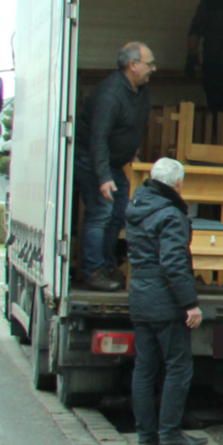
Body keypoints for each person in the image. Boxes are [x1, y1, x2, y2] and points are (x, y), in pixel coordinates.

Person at [124, 157, 207, 445]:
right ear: (179, 184)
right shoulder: (171, 215)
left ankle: (146, 435)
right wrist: (190, 303)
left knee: (145, 368)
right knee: (178, 367)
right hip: (165, 301)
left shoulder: (137, 207)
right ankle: (170, 434)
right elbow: (174, 263)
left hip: (141, 296)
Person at [73, 41, 155, 292]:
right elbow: (99, 139)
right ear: (133, 65)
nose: (154, 68)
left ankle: (107, 266)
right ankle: (93, 271)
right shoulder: (110, 95)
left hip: (113, 163)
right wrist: (103, 177)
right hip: (92, 161)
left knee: (119, 213)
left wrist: (134, 154)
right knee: (100, 213)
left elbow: (129, 129)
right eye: (149, 63)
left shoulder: (138, 90)